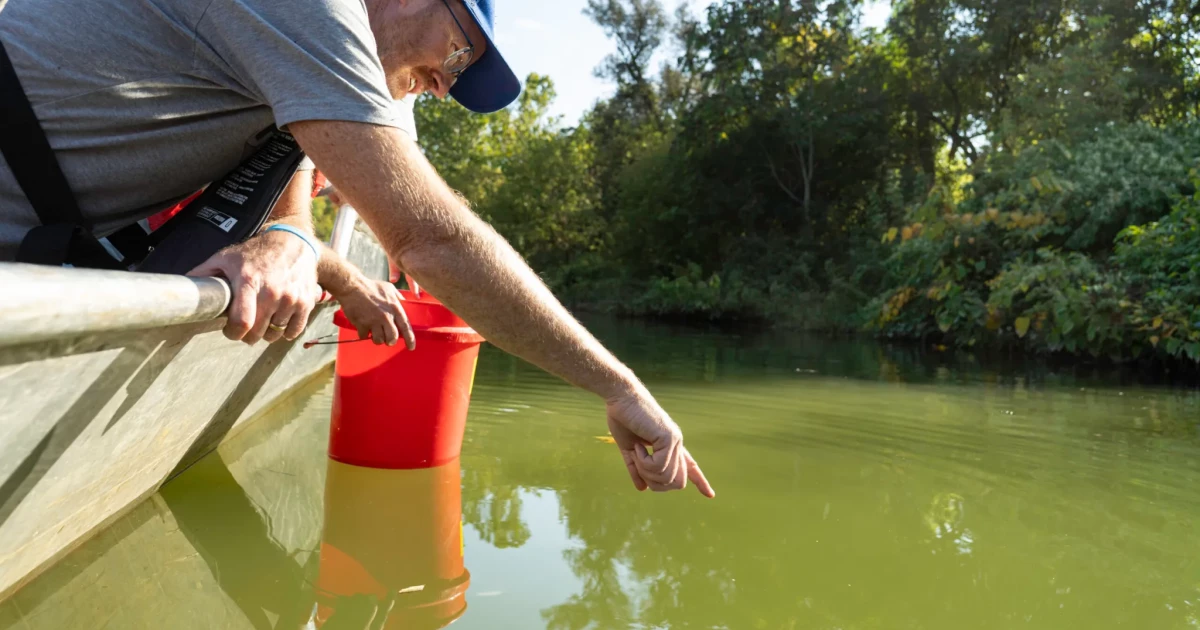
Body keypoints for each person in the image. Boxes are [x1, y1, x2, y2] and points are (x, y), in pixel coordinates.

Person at [0, 0, 714, 496]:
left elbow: (297, 144)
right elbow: (432, 239)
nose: (442, 85)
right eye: (458, 54)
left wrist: (289, 236)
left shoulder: (303, 45)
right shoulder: (310, 10)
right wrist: (620, 386)